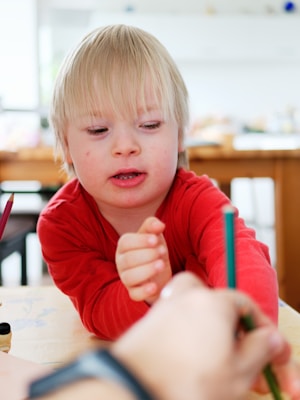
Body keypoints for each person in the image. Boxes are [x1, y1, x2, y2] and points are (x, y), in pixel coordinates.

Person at [37, 24, 278, 341]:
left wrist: (254, 329)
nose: (125, 146)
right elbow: (100, 311)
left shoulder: (199, 202)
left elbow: (244, 263)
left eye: (149, 124)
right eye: (98, 130)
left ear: (179, 135)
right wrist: (156, 293)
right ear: (66, 146)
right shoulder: (62, 226)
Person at [28, 272, 300, 400]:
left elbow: (246, 274)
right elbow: (100, 312)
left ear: (181, 152)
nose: (124, 153)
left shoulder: (197, 197)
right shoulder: (62, 220)